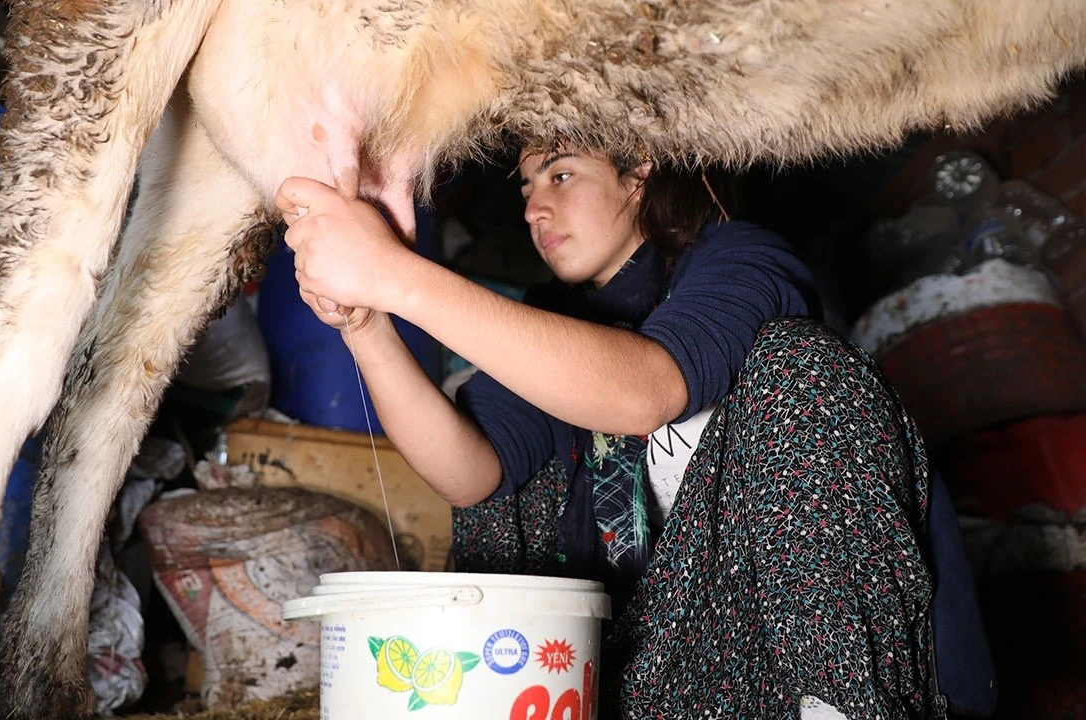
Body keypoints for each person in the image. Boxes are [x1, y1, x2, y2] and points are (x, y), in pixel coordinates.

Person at [275, 146, 975, 719]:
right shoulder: (556, 316)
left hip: (780, 651)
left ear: (639, 172)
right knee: (506, 473)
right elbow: (468, 475)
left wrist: (395, 274)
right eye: (525, 186)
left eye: (560, 173)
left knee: (804, 364)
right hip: (656, 669)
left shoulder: (738, 259)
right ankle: (504, 692)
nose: (533, 206)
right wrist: (365, 323)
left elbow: (647, 389)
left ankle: (844, 708)